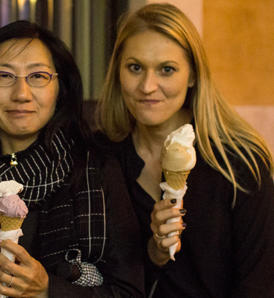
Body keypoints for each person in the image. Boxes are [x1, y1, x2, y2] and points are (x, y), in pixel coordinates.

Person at [0, 20, 144, 297]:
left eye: (38, 76)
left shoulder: (96, 167)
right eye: (4, 76)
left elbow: (130, 291)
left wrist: (49, 291)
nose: (21, 94)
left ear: (60, 87)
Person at [96, 3, 274, 297]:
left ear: (192, 75)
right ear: (118, 72)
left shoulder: (240, 163)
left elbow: (260, 284)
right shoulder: (100, 158)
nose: (148, 86)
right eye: (135, 67)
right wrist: (154, 253)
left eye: (167, 70)